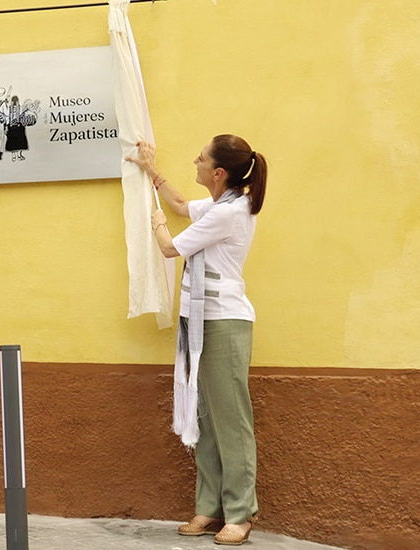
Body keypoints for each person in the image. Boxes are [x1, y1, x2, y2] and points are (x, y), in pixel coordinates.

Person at [128, 135, 268, 546]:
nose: (196, 161)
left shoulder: (230, 213)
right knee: (205, 418)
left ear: (218, 173)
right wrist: (151, 169)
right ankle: (209, 507)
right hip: (202, 322)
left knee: (231, 422)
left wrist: (155, 224)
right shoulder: (221, 204)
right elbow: (179, 205)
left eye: (201, 159)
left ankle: (241, 513)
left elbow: (171, 247)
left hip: (224, 322)